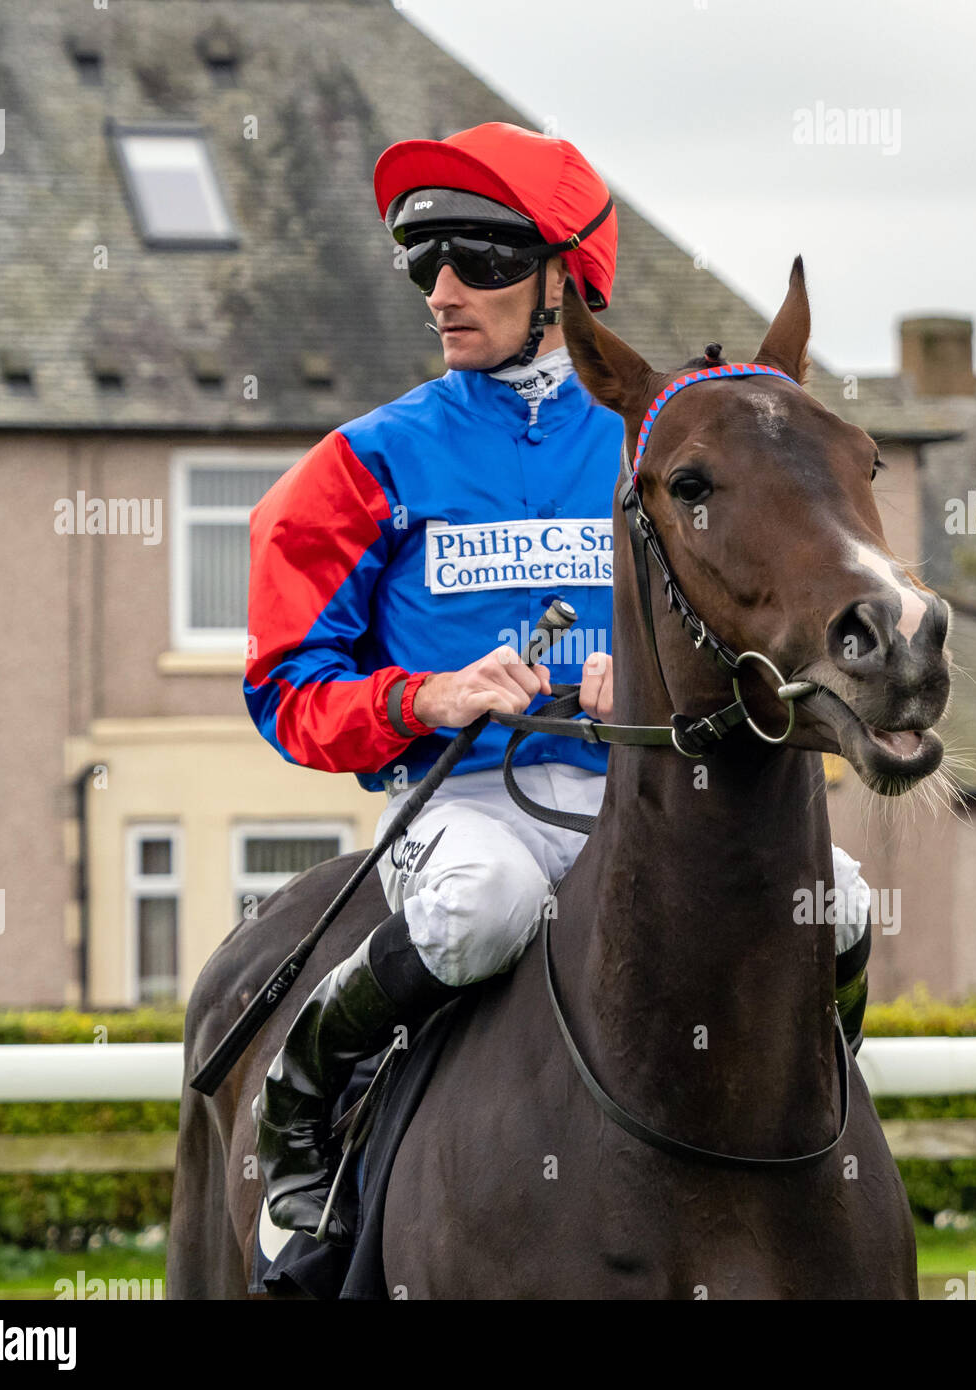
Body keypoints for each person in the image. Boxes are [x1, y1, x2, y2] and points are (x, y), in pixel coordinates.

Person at [245, 122, 873, 1243]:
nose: (442, 288)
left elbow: (753, 627)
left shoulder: (664, 443)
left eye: (479, 258)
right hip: (469, 806)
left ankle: (820, 1129)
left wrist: (640, 685)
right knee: (485, 908)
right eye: (421, 258)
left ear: (564, 279)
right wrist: (421, 698)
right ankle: (297, 1118)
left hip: (646, 801)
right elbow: (286, 689)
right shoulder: (358, 466)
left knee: (845, 899)